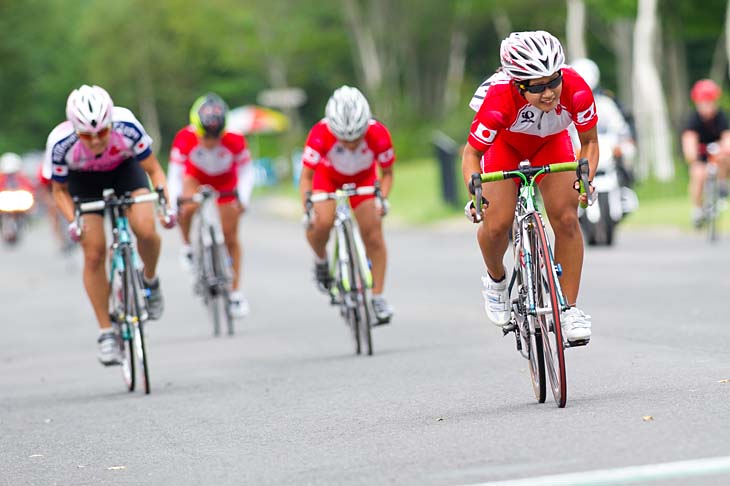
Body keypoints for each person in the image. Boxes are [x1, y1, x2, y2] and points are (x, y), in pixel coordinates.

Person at [462, 31, 598, 344]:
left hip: (552, 144)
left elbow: (589, 143)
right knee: (497, 225)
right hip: (504, 146)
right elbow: (471, 154)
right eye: (536, 87)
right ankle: (496, 280)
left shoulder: (576, 89)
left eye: (553, 81)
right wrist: (476, 191)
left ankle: (569, 310)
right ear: (517, 84)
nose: (549, 93)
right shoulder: (497, 99)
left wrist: (585, 179)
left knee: (566, 218)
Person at [43, 84, 173, 365]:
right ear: (73, 128)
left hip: (125, 171)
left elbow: (153, 170)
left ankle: (150, 281)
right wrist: (72, 222)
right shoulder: (61, 141)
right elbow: (59, 192)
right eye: (86, 135)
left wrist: (165, 203)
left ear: (111, 122)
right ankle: (106, 333)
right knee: (93, 253)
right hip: (83, 181)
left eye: (102, 132)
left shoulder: (127, 125)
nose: (96, 141)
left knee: (147, 231)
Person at [300, 85, 395, 324]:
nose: (351, 144)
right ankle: (321, 261)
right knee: (321, 223)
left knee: (373, 234)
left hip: (363, 179)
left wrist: (381, 198)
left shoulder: (379, 133)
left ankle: (378, 298)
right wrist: (308, 207)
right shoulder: (320, 133)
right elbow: (306, 177)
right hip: (328, 178)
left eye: (357, 138)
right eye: (345, 139)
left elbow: (388, 173)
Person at [167, 93, 254, 318]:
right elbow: (175, 175)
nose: (211, 142)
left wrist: (243, 199)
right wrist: (175, 202)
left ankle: (235, 294)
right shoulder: (184, 138)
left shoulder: (235, 139)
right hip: (196, 178)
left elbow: (246, 172)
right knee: (186, 206)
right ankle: (187, 247)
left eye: (216, 136)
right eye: (206, 136)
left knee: (231, 236)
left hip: (225, 181)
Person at [570, 58, 636, 187]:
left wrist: (620, 146)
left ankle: (625, 189)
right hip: (579, 153)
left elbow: (620, 129)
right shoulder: (568, 107)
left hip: (608, 153)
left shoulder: (607, 103)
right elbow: (568, 133)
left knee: (628, 155)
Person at [681, 79, 730, 227]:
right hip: (700, 155)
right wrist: (692, 154)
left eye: (709, 102)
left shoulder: (721, 117)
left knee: (724, 159)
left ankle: (722, 186)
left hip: (717, 153)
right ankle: (697, 208)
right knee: (698, 175)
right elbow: (689, 139)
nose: (707, 107)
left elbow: (727, 137)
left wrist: (724, 148)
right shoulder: (693, 119)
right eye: (703, 103)